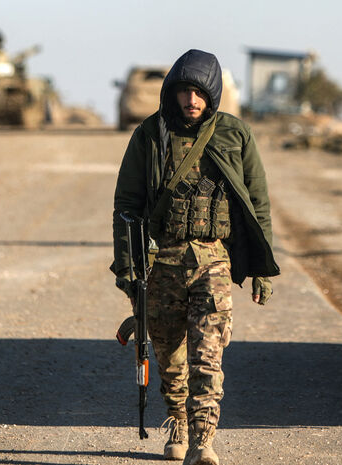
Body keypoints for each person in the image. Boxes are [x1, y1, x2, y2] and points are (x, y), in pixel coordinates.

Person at [112, 49, 279, 465]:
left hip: (213, 262)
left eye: (200, 92)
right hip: (161, 265)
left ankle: (204, 440)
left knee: (207, 356)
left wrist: (262, 269)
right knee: (170, 357)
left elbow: (257, 202)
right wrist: (129, 268)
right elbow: (127, 205)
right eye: (184, 91)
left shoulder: (234, 135)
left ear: (213, 94)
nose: (192, 100)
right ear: (172, 92)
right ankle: (178, 423)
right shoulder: (151, 134)